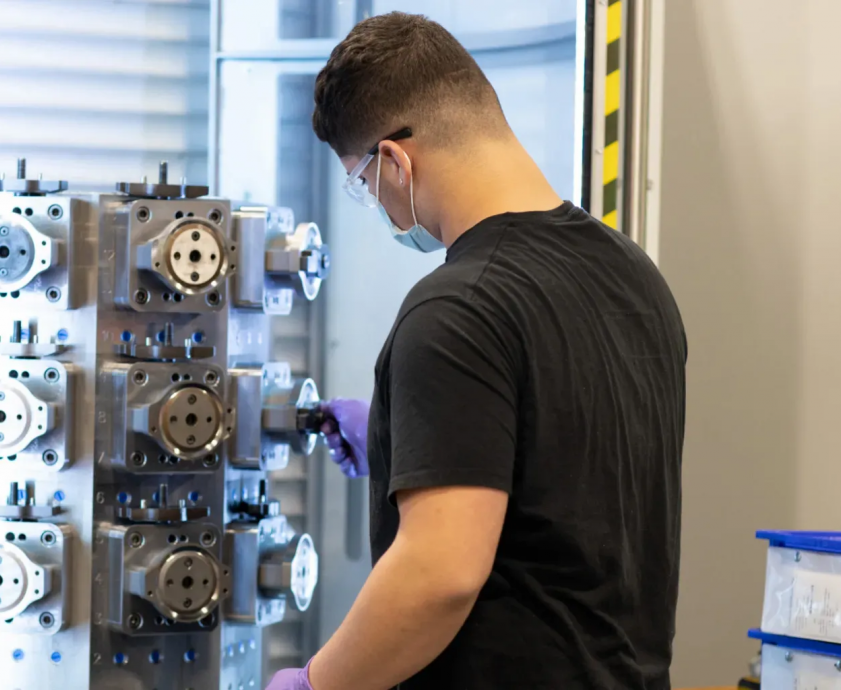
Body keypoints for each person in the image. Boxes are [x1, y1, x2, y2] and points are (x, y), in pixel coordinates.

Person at [265, 12, 686, 690]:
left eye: (366, 184)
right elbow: (572, 472)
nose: (379, 205)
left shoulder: (456, 309)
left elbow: (441, 574)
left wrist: (317, 683)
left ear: (395, 161)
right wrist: (403, 434)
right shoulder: (634, 277)